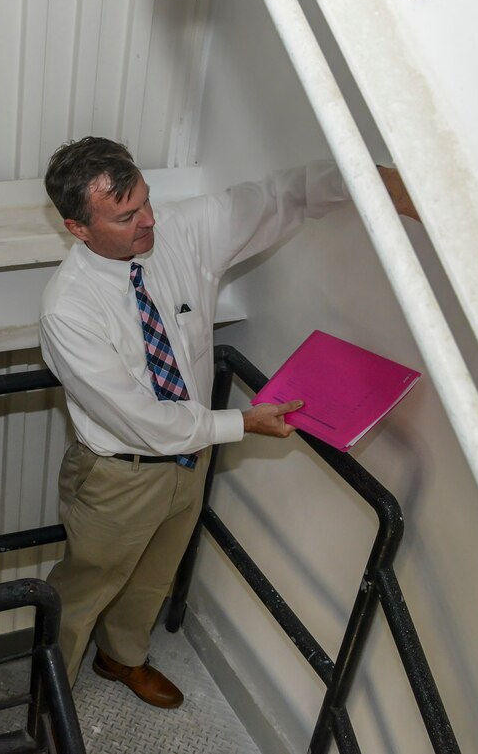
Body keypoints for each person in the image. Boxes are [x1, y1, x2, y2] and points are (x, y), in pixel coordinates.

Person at [38, 137, 418, 708]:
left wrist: (379, 183)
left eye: (146, 201)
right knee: (85, 589)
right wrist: (242, 424)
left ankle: (122, 658)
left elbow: (279, 196)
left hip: (191, 459)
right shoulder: (68, 308)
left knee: (155, 574)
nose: (148, 221)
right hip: (120, 475)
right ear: (78, 227)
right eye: (125, 216)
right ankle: (49, 700)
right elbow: (144, 421)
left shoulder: (179, 236)